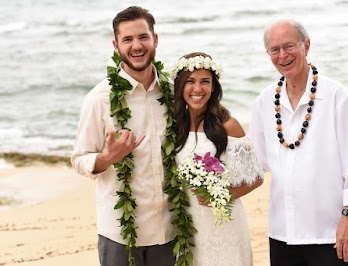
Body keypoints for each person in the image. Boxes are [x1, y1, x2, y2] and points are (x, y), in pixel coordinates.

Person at [248, 18, 348, 266]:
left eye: (289, 46)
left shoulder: (336, 97)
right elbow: (254, 165)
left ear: (306, 46)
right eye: (274, 49)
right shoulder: (263, 102)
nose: (283, 55)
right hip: (281, 234)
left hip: (329, 234)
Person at [71, 6, 176, 266]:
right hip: (119, 236)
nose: (136, 46)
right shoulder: (99, 99)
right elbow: (79, 159)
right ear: (116, 46)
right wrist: (107, 158)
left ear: (155, 40)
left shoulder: (174, 93)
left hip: (171, 230)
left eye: (143, 37)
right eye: (127, 39)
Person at [172, 52, 264, 266]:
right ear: (180, 87)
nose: (197, 89)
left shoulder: (228, 125)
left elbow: (256, 178)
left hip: (224, 226)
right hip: (188, 227)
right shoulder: (175, 126)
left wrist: (219, 197)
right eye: (190, 82)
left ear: (214, 87)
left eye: (205, 82)